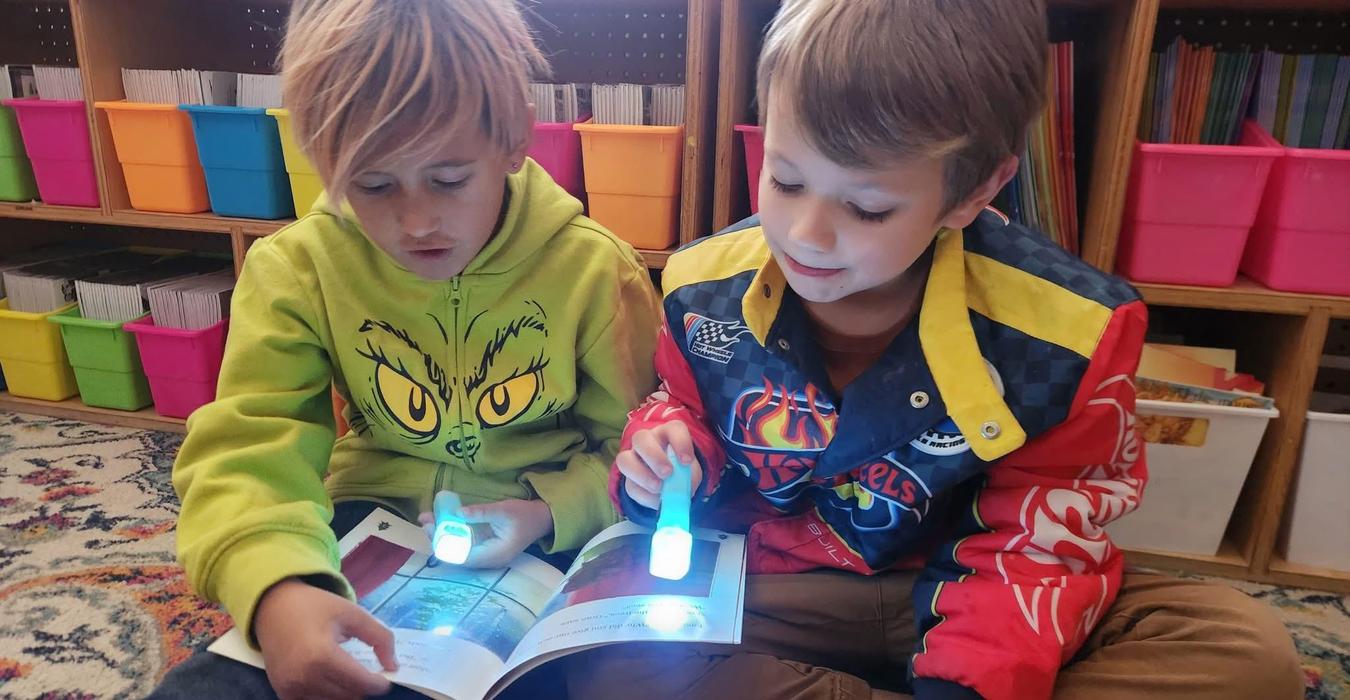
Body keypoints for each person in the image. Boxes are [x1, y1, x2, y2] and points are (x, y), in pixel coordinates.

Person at [588, 1, 1304, 698]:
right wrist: (667, 455)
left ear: (976, 190)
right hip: (779, 593)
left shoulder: (1068, 332)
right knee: (607, 658)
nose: (806, 233)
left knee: (1247, 652)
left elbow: (1036, 546)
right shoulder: (701, 285)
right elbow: (679, 405)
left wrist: (968, 680)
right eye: (785, 178)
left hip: (970, 590)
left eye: (867, 208)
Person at [151, 1, 660, 698]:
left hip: (546, 533)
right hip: (371, 517)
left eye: (450, 180)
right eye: (374, 184)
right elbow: (250, 448)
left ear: (513, 144)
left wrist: (547, 511)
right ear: (326, 164)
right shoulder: (296, 269)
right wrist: (278, 591)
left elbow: (640, 449)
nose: (416, 221)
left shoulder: (597, 273)